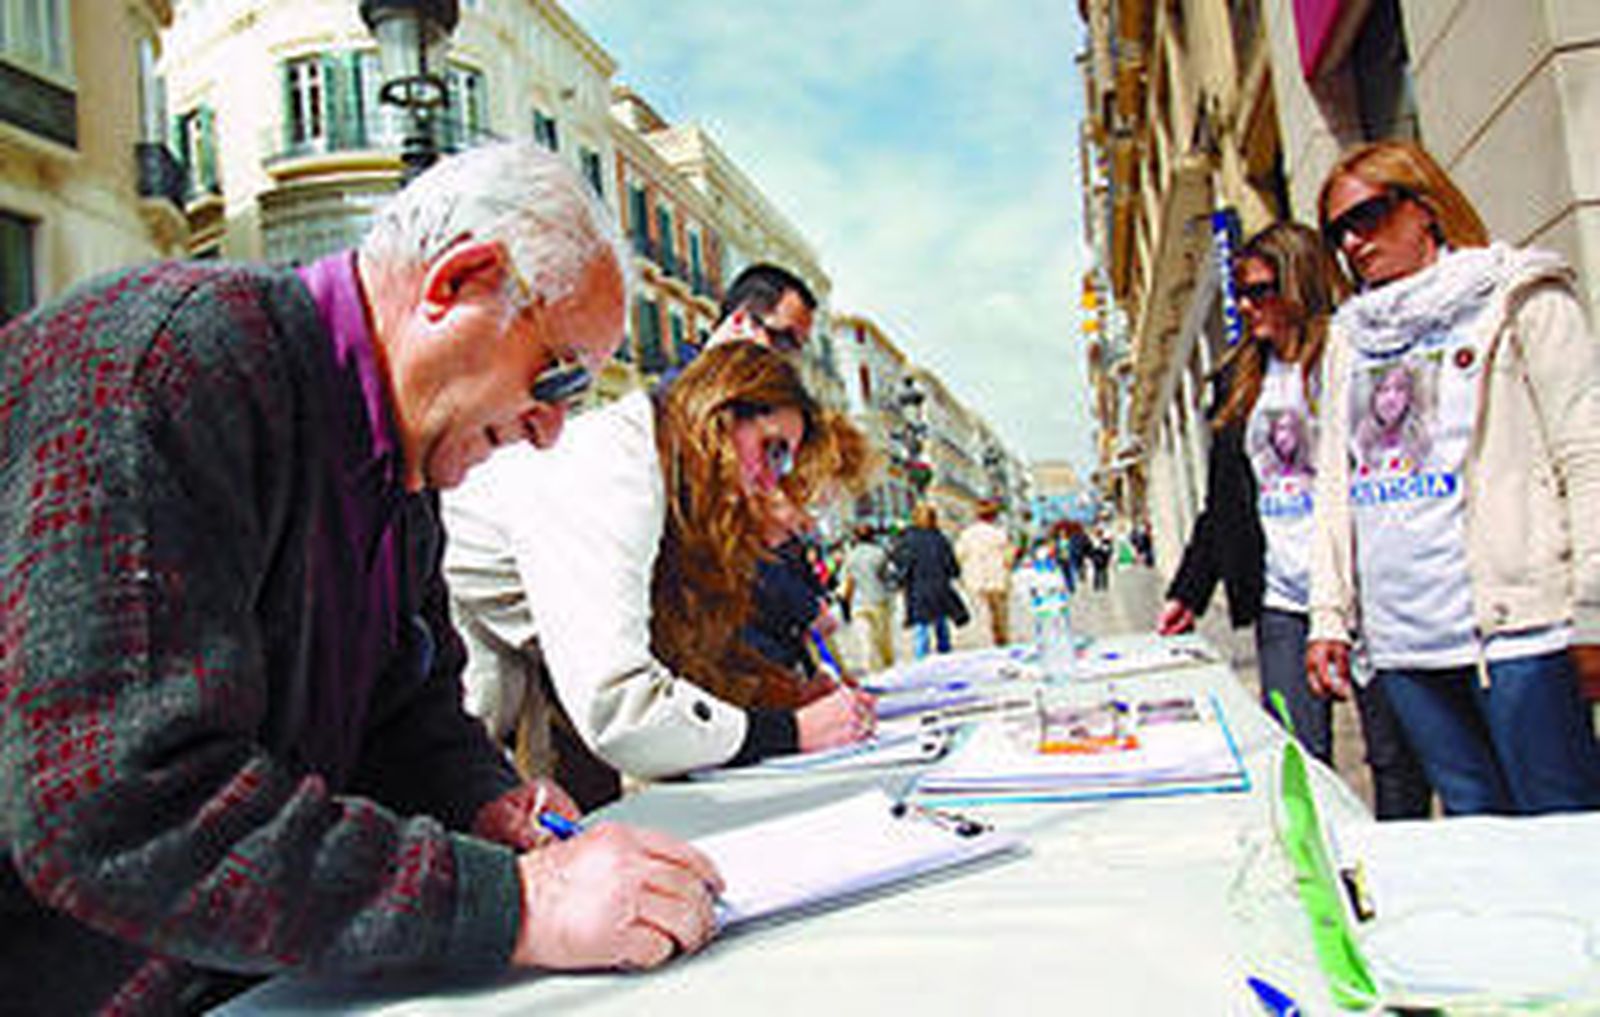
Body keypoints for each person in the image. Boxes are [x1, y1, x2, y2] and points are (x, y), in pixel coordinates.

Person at [0, 142, 724, 1014]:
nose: (552, 430)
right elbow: (117, 807)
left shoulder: (402, 467)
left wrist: (485, 801)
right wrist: (519, 904)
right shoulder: (166, 366)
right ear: (459, 282)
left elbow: (405, 714)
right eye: (559, 375)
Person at [443, 342, 876, 809]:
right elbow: (621, 707)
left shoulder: (677, 490)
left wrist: (787, 695)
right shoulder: (613, 466)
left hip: (527, 705)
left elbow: (684, 660)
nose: (771, 482)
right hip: (458, 687)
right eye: (772, 451)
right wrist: (792, 732)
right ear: (721, 414)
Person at [1308, 139, 1600, 816]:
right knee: (1474, 832)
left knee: (1563, 825)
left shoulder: (1518, 293)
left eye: (1370, 215)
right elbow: (1336, 486)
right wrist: (1331, 614)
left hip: (1518, 629)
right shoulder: (1351, 336)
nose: (1353, 240)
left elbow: (1585, 454)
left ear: (1424, 209)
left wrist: (1593, 609)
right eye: (1338, 230)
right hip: (1405, 638)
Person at [1157, 221, 1430, 819]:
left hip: (1363, 588)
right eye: (1242, 294)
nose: (1248, 306)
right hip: (1282, 596)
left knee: (1394, 756)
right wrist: (1189, 592)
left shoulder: (1352, 358)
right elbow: (1224, 503)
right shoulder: (1239, 379)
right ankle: (1325, 879)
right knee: (1296, 755)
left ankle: (1396, 864)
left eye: (1261, 291)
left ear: (1300, 282)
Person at [893, 502, 965, 658]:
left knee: (922, 629)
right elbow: (952, 567)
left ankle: (921, 660)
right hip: (939, 588)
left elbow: (903, 565)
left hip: (918, 590)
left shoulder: (907, 540)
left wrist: (900, 581)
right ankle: (946, 656)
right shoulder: (940, 539)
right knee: (941, 625)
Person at [955, 499, 1015, 647]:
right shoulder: (1000, 534)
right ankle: (1002, 641)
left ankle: (988, 647)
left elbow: (958, 555)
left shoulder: (966, 535)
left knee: (982, 617)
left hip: (975, 579)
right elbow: (1009, 557)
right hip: (997, 579)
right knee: (1000, 616)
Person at [1353, 360, 1432, 472]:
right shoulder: (1357, 444)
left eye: (1400, 389)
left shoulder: (1423, 439)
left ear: (1409, 397)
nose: (1391, 398)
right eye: (1384, 389)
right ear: (1372, 396)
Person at [841, 524, 896, 672]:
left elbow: (848, 580)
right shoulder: (880, 553)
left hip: (858, 603)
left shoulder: (850, 556)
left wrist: (845, 601)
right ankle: (886, 665)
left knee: (865, 638)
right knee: (882, 637)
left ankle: (870, 666)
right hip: (878, 599)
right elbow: (889, 577)